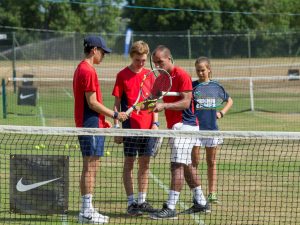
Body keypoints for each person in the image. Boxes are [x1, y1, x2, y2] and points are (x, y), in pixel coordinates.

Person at [149, 45, 210, 219]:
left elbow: (185, 102)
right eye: (154, 63)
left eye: (160, 62)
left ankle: (170, 207)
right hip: (175, 127)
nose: (157, 66)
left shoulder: (182, 75)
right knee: (187, 165)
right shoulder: (159, 79)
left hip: (186, 126)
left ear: (169, 59)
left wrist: (164, 105)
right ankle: (201, 202)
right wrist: (143, 104)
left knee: (176, 165)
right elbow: (151, 98)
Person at [73, 35, 128, 224]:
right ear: (94, 50)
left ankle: (86, 209)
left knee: (91, 167)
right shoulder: (87, 71)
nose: (104, 55)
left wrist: (105, 122)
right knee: (90, 167)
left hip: (92, 124)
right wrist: (115, 115)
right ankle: (87, 211)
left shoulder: (83, 68)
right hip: (90, 126)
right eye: (102, 52)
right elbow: (93, 103)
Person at [112, 40, 158, 216]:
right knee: (129, 164)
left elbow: (153, 103)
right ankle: (131, 203)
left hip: (148, 130)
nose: (141, 63)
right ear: (132, 56)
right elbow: (116, 104)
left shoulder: (150, 75)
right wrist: (117, 128)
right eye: (138, 59)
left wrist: (155, 123)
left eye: (144, 60)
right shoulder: (122, 75)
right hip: (129, 128)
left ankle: (142, 201)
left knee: (145, 164)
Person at [192, 56, 233, 204]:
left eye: (202, 70)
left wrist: (221, 113)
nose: (200, 73)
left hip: (212, 130)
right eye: (198, 70)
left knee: (211, 161)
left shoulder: (216, 87)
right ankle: (197, 193)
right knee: (194, 162)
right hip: (195, 130)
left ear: (209, 69)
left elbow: (230, 100)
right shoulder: (192, 86)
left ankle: (212, 193)